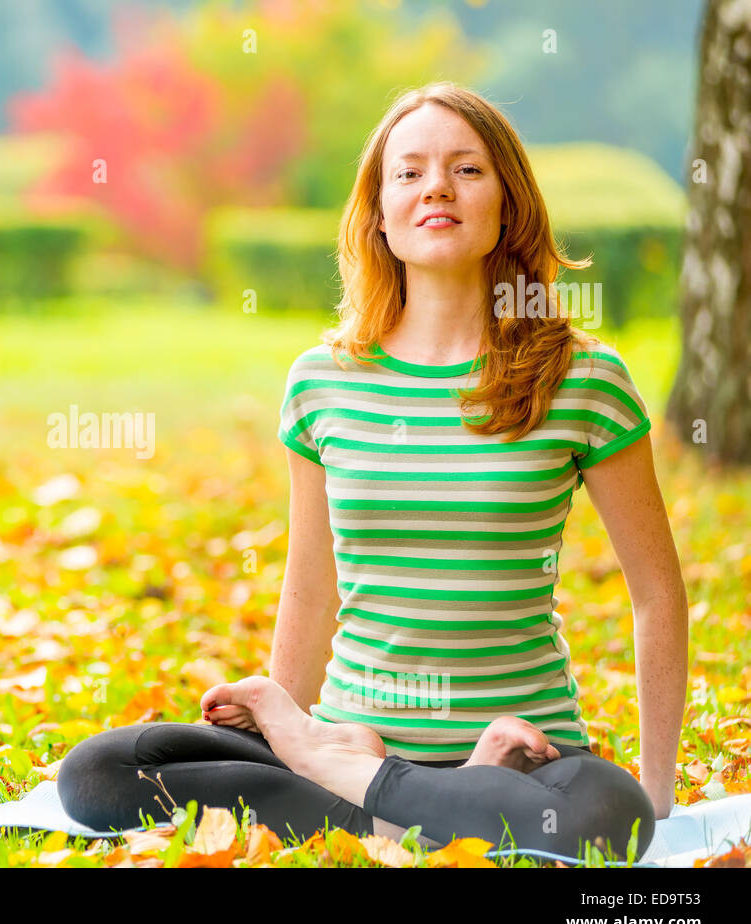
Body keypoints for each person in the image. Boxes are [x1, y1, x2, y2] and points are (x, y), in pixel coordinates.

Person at [56, 82, 688, 861]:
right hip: (352, 733)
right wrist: (291, 728)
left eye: (467, 170)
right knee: (100, 772)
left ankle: (366, 790)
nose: (437, 188)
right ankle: (379, 788)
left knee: (607, 813)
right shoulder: (322, 381)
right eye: (410, 172)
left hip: (525, 761)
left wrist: (657, 792)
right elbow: (310, 580)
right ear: (380, 215)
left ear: (507, 206)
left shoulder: (583, 378)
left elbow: (657, 592)